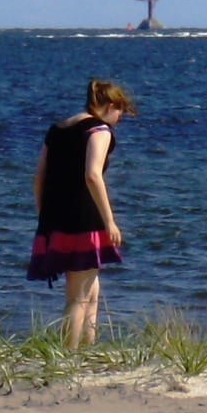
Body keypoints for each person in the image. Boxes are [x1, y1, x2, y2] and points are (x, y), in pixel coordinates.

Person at [29, 79, 135, 346]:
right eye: (120, 111)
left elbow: (38, 178)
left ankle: (87, 350)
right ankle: (67, 356)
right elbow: (92, 175)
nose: (119, 117)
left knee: (90, 288)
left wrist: (44, 215)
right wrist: (110, 221)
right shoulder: (100, 130)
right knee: (78, 296)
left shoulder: (58, 129)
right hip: (84, 218)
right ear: (111, 106)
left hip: (55, 218)